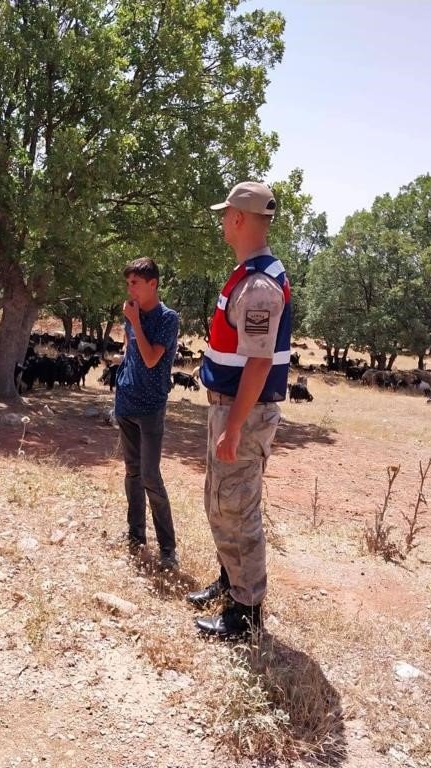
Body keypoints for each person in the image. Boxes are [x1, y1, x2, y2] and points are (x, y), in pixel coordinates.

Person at [187, 181, 291, 639]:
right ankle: (231, 583)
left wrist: (232, 428)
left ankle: (246, 613)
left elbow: (259, 362)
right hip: (230, 408)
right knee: (220, 502)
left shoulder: (260, 285)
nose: (221, 221)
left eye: (225, 213)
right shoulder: (249, 273)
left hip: (244, 413)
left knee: (237, 509)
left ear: (238, 219)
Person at [114, 258, 180, 570]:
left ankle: (168, 549)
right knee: (132, 472)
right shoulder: (131, 314)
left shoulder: (168, 319)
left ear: (152, 284)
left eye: (135, 284)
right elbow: (131, 349)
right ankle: (135, 535)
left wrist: (136, 323)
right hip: (126, 399)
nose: (130, 290)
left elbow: (153, 358)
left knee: (151, 475)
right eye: (128, 284)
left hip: (151, 404)